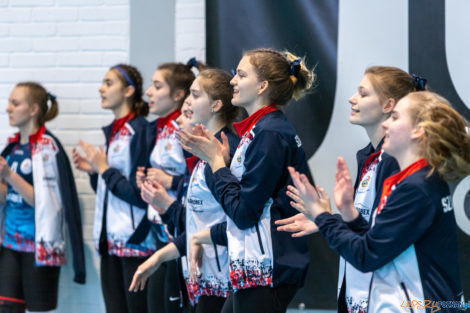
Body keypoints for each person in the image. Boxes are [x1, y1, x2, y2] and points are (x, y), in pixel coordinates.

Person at [288, 91, 469, 313]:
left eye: (395, 118)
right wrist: (350, 214)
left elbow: (366, 256)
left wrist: (321, 215)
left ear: (418, 131)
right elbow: (382, 244)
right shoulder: (417, 181)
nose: (386, 126)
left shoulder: (417, 188)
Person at [176, 48, 314, 313]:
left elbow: (243, 213)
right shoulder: (258, 131)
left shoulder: (270, 133)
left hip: (267, 266)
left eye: (240, 74)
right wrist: (222, 164)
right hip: (252, 263)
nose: (232, 82)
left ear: (262, 86)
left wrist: (217, 163)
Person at [277, 66, 424, 312]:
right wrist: (326, 219)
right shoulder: (370, 156)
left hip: (387, 296)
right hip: (361, 289)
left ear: (388, 105)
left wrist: (325, 219)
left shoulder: (394, 162)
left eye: (363, 93)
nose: (351, 98)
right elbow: (368, 226)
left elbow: (379, 243)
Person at [130, 68, 240, 313]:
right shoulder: (205, 153)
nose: (187, 102)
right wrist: (158, 257)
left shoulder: (225, 151)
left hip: (223, 277)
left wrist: (169, 205)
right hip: (205, 274)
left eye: (195, 95)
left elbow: (237, 220)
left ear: (216, 105)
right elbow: (197, 224)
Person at [73, 64, 153, 313]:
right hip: (110, 242)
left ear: (129, 90)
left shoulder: (140, 131)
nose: (101, 88)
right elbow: (111, 193)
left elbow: (141, 195)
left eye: (109, 83)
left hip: (136, 244)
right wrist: (96, 172)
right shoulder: (116, 132)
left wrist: (105, 169)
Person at [0, 82, 85, 313]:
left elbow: (45, 202)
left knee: (39, 311)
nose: (8, 108)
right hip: (10, 243)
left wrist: (8, 174)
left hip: (40, 247)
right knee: (7, 308)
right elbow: (7, 196)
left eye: (15, 103)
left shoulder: (47, 146)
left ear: (34, 109)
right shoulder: (12, 147)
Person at [136, 59, 199, 313]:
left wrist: (169, 181)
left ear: (178, 95)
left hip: (180, 233)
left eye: (157, 86)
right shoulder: (159, 128)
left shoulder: (184, 129)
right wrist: (145, 180)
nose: (149, 92)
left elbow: (199, 179)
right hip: (159, 230)